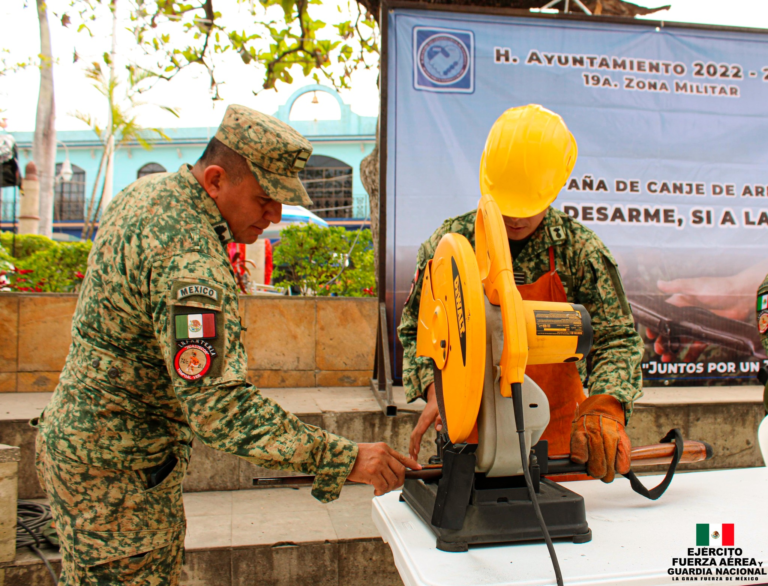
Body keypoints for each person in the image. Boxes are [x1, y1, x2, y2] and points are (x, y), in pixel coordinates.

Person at [34, 104, 419, 585]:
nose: (275, 216)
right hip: (118, 484)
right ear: (215, 180)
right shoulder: (189, 257)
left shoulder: (145, 193)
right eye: (264, 199)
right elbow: (217, 405)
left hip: (85, 453)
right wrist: (344, 458)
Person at [399, 104, 643, 483]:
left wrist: (605, 406)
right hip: (469, 435)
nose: (514, 217)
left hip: (560, 445)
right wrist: (435, 391)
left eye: (527, 205)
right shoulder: (451, 246)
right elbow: (417, 329)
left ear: (557, 186)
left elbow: (617, 339)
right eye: (507, 203)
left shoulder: (579, 250)